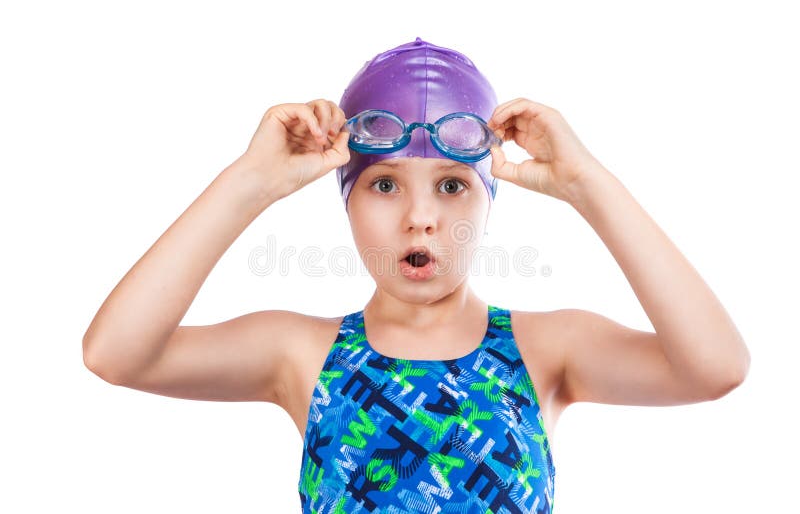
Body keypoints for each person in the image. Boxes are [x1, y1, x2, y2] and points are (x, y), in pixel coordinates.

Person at [82, 37, 751, 513]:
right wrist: (248, 184)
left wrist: (588, 184)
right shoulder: (302, 355)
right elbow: (115, 353)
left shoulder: (548, 351)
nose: (420, 218)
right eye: (384, 186)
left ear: (492, 199)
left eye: (454, 186)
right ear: (344, 197)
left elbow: (715, 365)